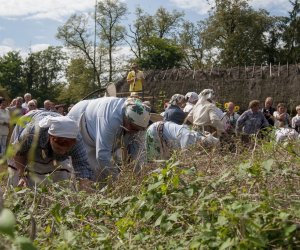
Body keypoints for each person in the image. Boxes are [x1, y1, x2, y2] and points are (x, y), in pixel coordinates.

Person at [67, 97, 150, 183]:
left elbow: (138, 151)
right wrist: (118, 181)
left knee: (109, 167)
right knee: (91, 172)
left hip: (96, 123)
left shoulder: (139, 122)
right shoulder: (111, 120)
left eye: (138, 129)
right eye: (133, 128)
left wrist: (139, 175)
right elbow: (102, 155)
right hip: (80, 120)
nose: (134, 132)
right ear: (126, 118)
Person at [8, 110, 93, 187]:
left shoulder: (77, 142)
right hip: (29, 120)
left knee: (61, 175)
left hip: (55, 120)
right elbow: (18, 152)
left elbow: (82, 168)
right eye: (59, 148)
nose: (63, 152)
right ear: (50, 137)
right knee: (24, 175)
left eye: (67, 149)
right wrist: (22, 175)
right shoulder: (32, 133)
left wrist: (86, 188)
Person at [146, 121, 219, 161]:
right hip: (155, 131)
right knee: (156, 161)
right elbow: (185, 160)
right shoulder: (189, 138)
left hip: (161, 129)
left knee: (165, 160)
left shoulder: (196, 136)